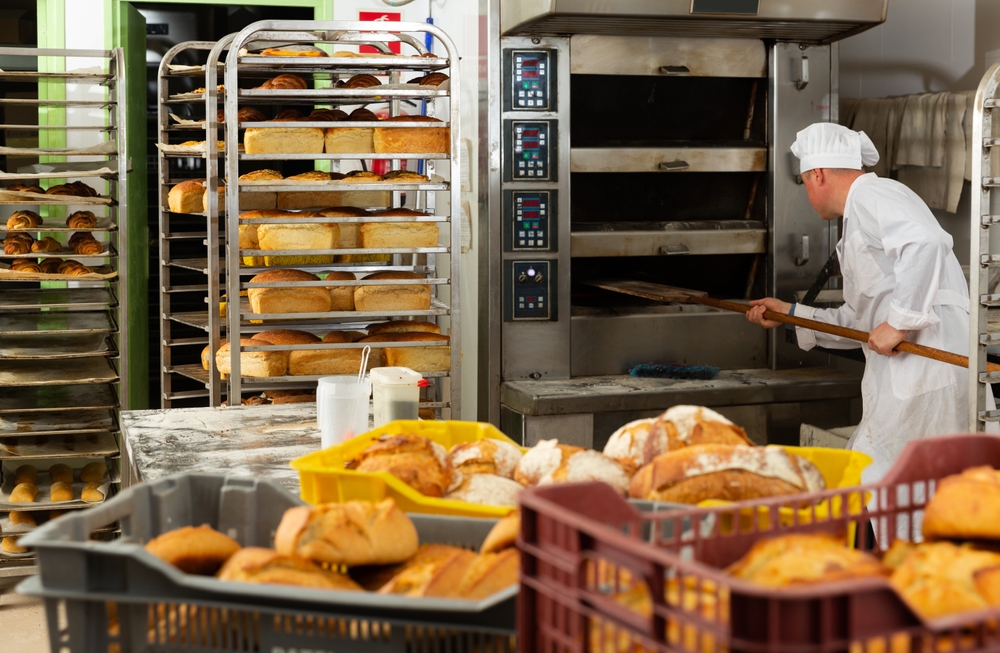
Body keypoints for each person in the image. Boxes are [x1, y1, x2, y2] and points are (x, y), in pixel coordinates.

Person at [746, 122, 985, 484]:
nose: (807, 191)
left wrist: (899, 324)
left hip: (927, 371)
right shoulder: (860, 215)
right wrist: (793, 315)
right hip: (911, 372)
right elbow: (864, 322)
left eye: (804, 181)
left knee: (900, 487)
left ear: (818, 174)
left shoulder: (875, 195)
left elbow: (926, 242)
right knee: (889, 484)